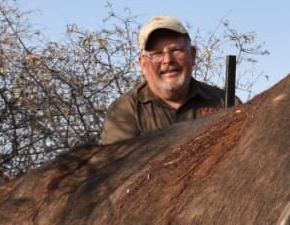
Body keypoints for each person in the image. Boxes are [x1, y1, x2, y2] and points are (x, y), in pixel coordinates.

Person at [99, 15, 235, 144]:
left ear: (192, 55)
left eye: (176, 50)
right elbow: (121, 166)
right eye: (157, 54)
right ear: (143, 64)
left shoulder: (226, 103)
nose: (168, 60)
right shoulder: (124, 112)